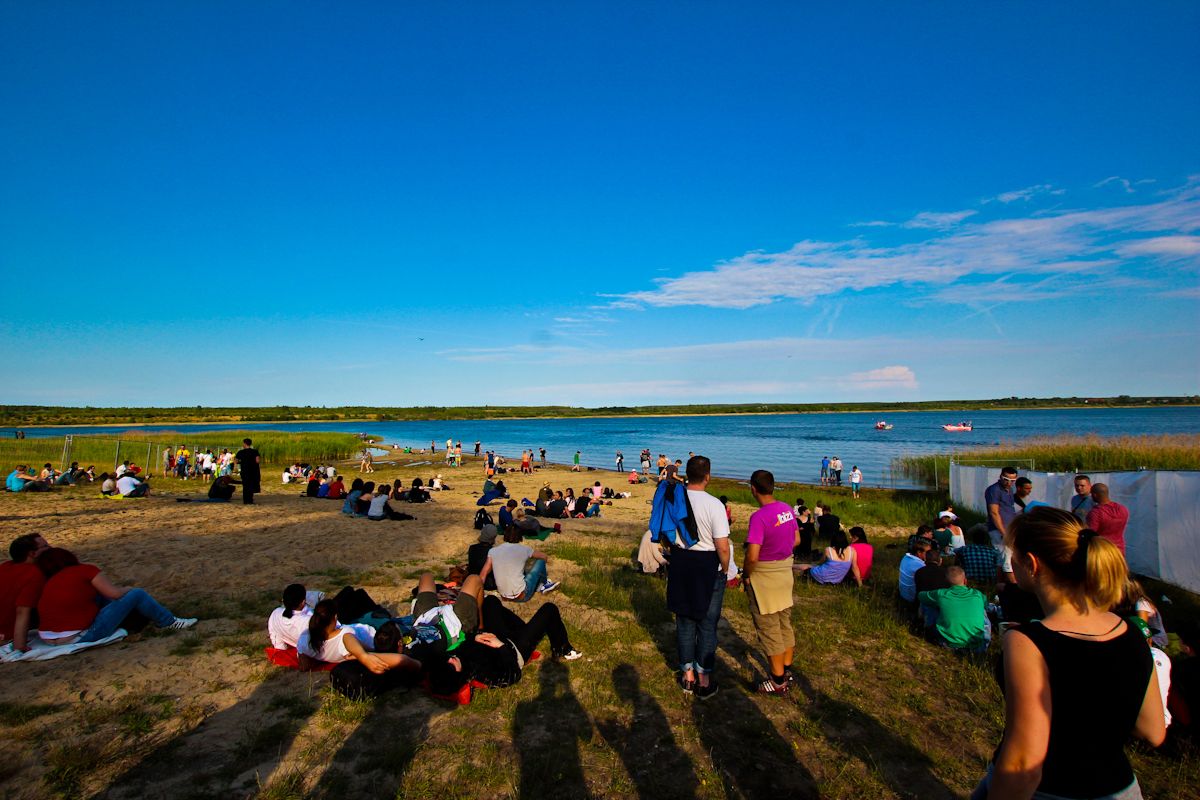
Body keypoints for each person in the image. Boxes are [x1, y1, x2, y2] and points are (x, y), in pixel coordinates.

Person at [971, 507, 1165, 799]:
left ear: (1031, 564)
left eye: (1014, 554)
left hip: (1051, 790)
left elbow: (1024, 764)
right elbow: (1153, 731)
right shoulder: (1132, 633)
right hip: (1121, 788)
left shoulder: (1027, 642)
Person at [656, 455, 730, 700]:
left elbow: (664, 532)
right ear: (708, 476)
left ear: (687, 474)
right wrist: (725, 569)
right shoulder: (714, 505)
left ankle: (687, 675)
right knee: (707, 623)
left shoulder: (674, 497)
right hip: (707, 563)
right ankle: (703, 678)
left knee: (684, 621)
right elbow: (722, 546)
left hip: (680, 560)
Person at [35, 548, 196, 644]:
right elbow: (115, 593)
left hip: (48, 638)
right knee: (136, 594)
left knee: (100, 597)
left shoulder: (50, 580)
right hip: (77, 637)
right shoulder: (85, 570)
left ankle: (139, 620)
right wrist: (128, 588)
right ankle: (168, 622)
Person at [742, 470, 800, 695]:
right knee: (785, 623)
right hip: (785, 573)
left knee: (768, 629)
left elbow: (753, 556)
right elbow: (796, 539)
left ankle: (777, 681)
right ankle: (786, 669)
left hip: (764, 578)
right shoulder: (786, 508)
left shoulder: (759, 517)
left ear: (753, 489)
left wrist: (746, 574)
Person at [918, 566, 990, 653]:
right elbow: (986, 605)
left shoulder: (941, 593)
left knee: (927, 603)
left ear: (946, 583)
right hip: (978, 646)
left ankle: (925, 628)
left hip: (948, 644)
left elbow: (920, 596)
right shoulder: (978, 594)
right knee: (982, 611)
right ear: (965, 581)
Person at [479, 529, 560, 602]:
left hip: (503, 596)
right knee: (540, 562)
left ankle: (540, 586)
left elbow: (483, 574)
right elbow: (544, 557)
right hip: (521, 595)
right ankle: (544, 585)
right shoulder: (524, 549)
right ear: (519, 537)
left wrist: (479, 591)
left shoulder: (493, 551)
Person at [0, 534, 49, 653]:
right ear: (32, 553)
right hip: (9, 632)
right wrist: (19, 646)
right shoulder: (34, 574)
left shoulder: (5, 567)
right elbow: (22, 610)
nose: (50, 548)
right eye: (45, 546)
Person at [795, 527, 859, 586]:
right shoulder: (852, 551)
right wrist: (860, 584)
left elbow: (821, 563)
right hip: (836, 581)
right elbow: (855, 567)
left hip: (818, 577)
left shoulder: (829, 550)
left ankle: (791, 566)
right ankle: (792, 566)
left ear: (833, 540)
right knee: (809, 566)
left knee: (808, 567)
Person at [268, 583, 318, 649]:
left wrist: (280, 649)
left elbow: (274, 633)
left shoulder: (276, 613)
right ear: (303, 602)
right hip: (307, 652)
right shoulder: (308, 620)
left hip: (284, 649)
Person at [1087, 483, 1130, 556]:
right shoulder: (1122, 509)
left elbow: (1090, 534)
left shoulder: (1095, 512)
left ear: (1094, 495)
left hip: (1102, 551)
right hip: (1119, 550)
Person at [985, 466, 1019, 548]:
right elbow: (994, 513)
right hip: (999, 531)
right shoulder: (994, 490)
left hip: (1009, 529)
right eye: (1006, 479)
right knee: (1004, 556)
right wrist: (1004, 533)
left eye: (1012, 481)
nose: (1009, 483)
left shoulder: (1010, 490)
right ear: (1000, 476)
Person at [898, 539, 931, 604]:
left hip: (903, 593)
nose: (930, 554)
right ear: (919, 552)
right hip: (911, 598)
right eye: (927, 552)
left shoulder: (906, 557)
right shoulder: (920, 565)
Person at [235, 438, 261, 505]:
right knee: (251, 486)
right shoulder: (255, 451)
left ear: (244, 444)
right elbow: (257, 461)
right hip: (253, 471)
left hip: (245, 471)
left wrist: (241, 462)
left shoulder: (241, 452)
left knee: (245, 486)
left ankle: (245, 500)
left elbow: (236, 461)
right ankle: (250, 500)